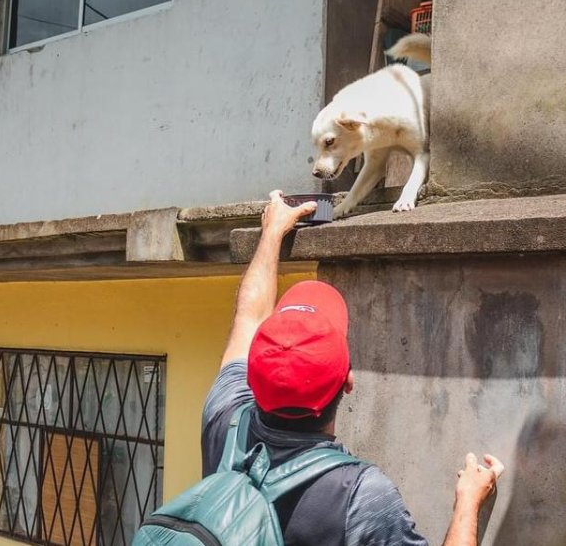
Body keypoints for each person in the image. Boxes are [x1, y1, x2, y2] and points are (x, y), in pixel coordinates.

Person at [201, 190, 504, 546]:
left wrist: (271, 232)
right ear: (348, 383)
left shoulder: (224, 419)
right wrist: (469, 501)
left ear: (253, 375)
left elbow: (249, 318)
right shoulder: (361, 496)